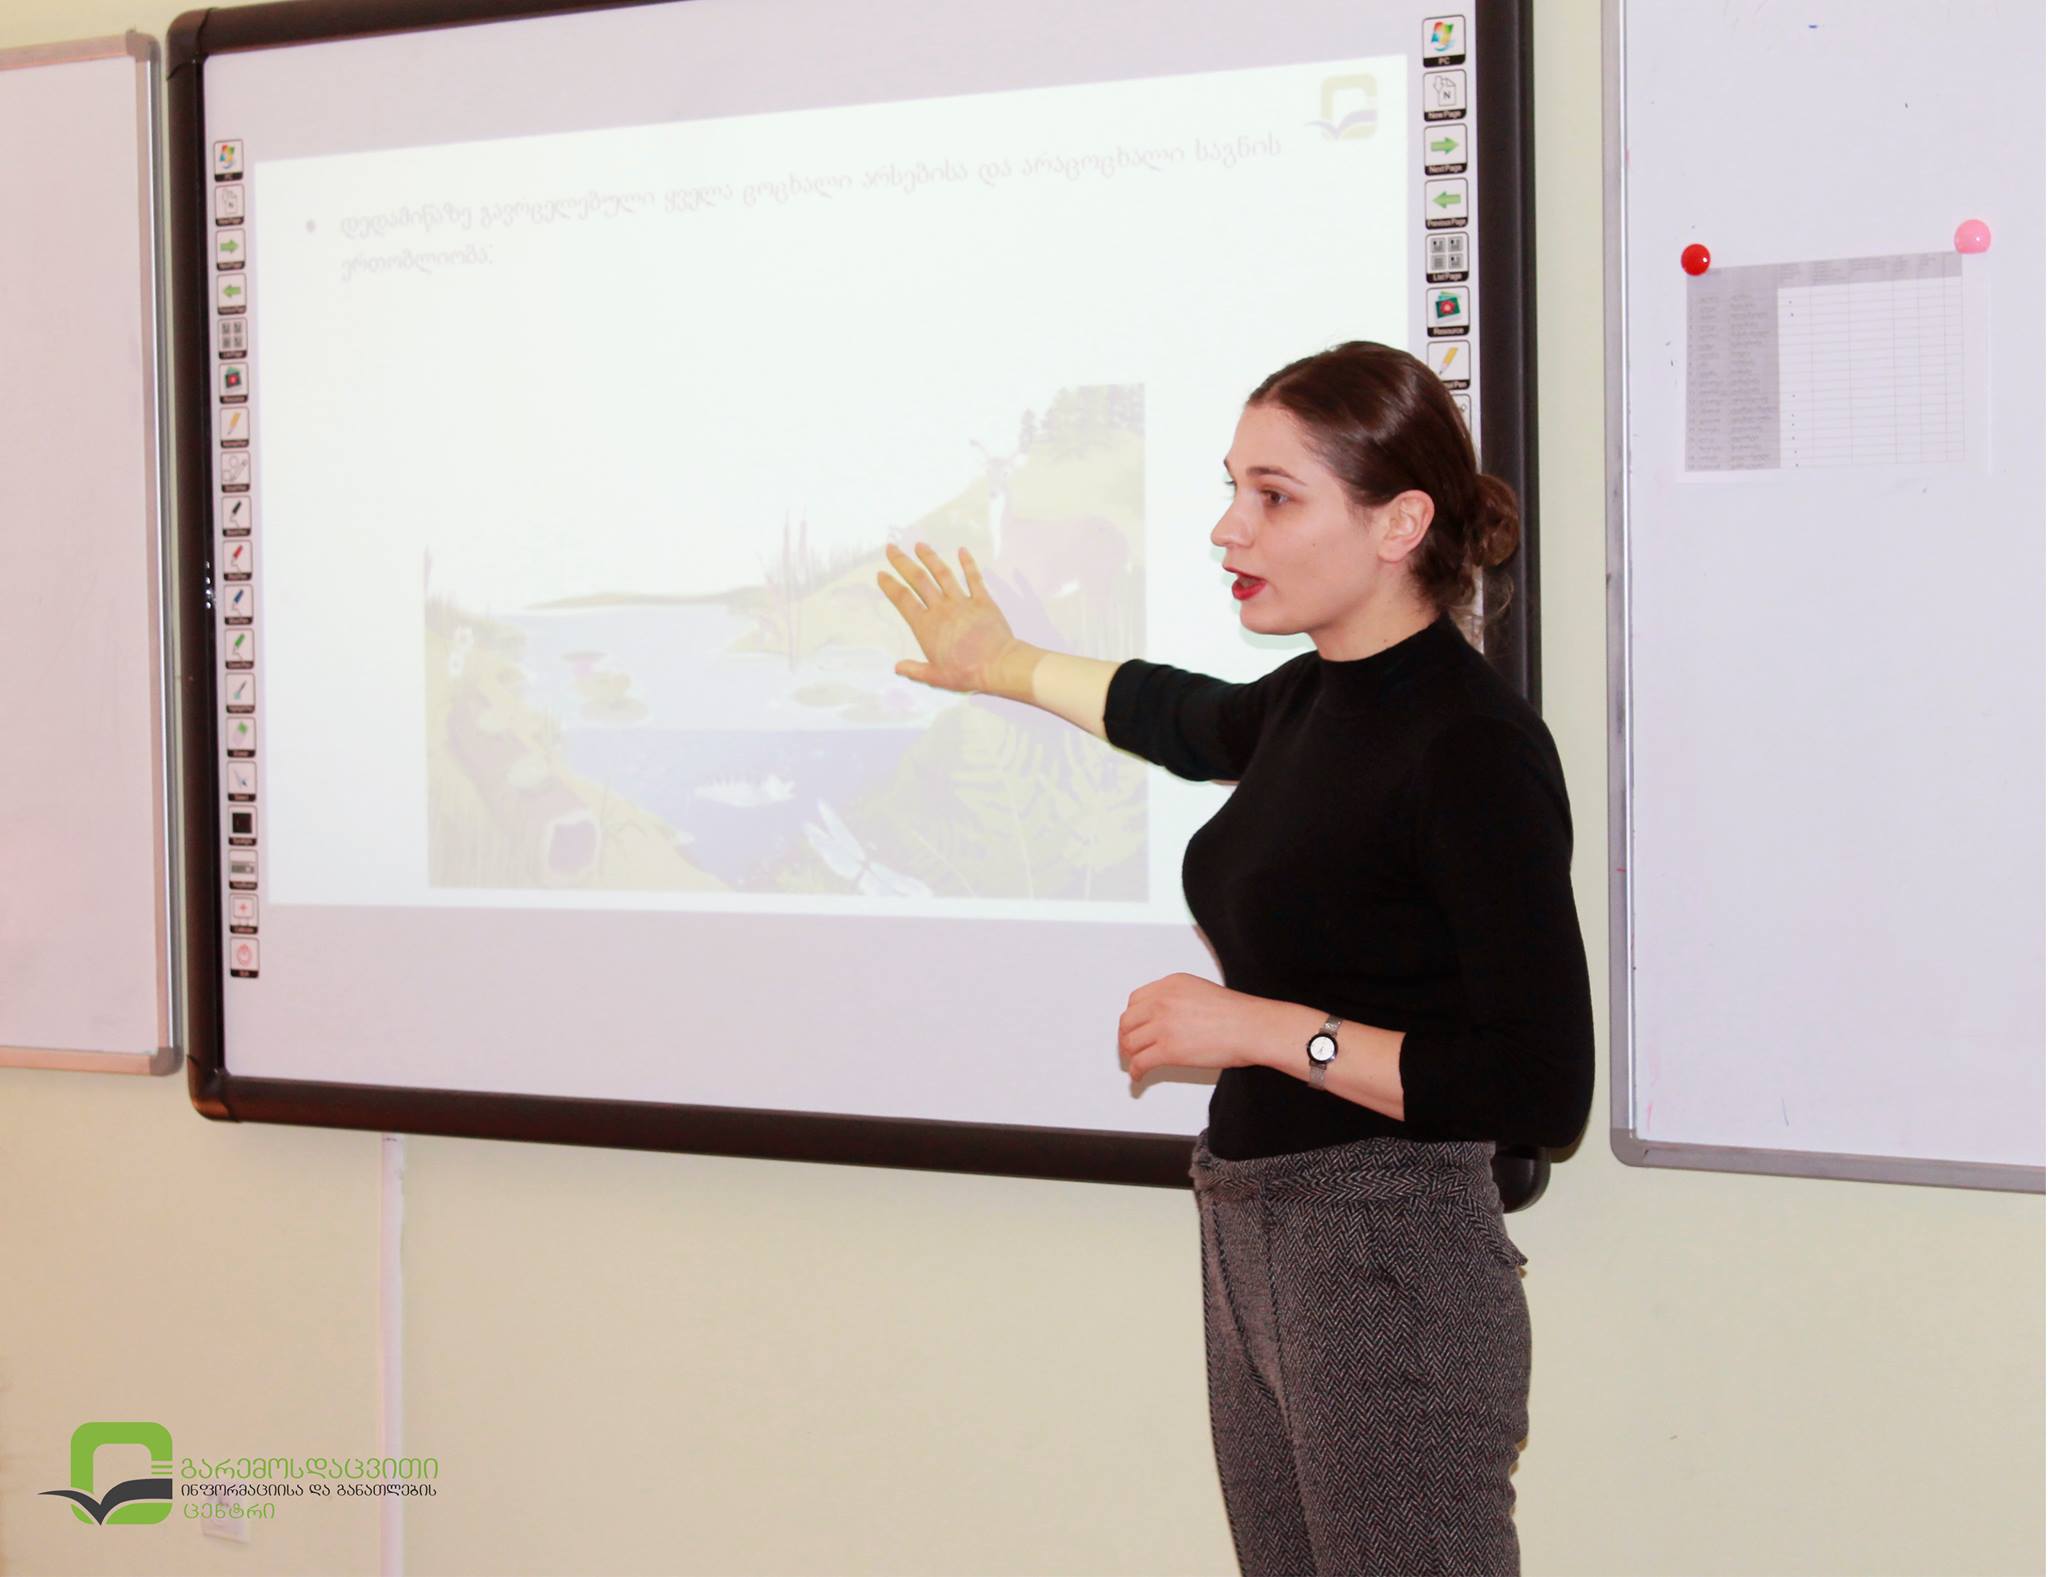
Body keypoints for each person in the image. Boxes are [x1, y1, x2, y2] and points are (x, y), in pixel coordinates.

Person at [875, 340, 1596, 1576]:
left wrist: (1259, 1027)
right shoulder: (1308, 699)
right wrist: (1001, 665)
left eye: (1273, 495)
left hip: (1390, 1253)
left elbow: (1536, 1083)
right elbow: (1177, 712)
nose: (1227, 528)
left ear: (1399, 523)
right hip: (1256, 1228)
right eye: (1230, 489)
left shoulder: (1469, 746)